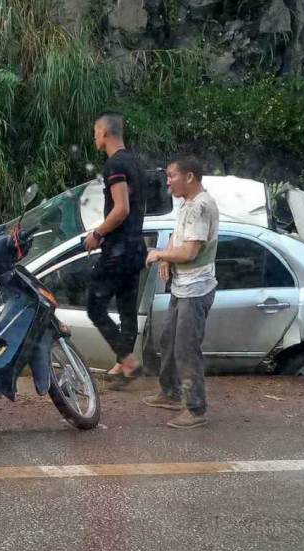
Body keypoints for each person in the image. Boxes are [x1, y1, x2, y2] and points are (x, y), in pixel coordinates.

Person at [143, 156, 219, 429]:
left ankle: (196, 409)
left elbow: (189, 251)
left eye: (172, 175)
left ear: (189, 177)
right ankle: (171, 393)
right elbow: (179, 237)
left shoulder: (200, 207)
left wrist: (158, 254)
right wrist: (166, 258)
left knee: (186, 350)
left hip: (195, 290)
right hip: (181, 286)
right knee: (168, 342)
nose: (167, 182)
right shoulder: (186, 203)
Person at [85, 110, 147, 386]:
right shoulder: (134, 161)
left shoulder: (115, 165)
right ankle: (125, 368)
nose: (94, 136)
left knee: (94, 306)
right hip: (136, 249)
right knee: (126, 310)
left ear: (105, 132)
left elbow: (121, 209)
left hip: (119, 251)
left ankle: (127, 361)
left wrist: (97, 233)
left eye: (96, 131)